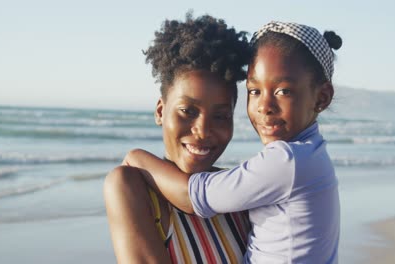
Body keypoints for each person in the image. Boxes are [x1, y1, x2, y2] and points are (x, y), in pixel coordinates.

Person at [125, 21, 343, 263]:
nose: (264, 106)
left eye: (283, 91)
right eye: (254, 91)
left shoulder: (288, 161)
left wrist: (138, 158)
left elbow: (193, 196)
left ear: (322, 97)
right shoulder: (309, 156)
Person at [103, 13, 251, 263]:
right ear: (161, 111)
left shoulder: (239, 195)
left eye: (221, 116)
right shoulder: (131, 187)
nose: (203, 131)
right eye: (188, 111)